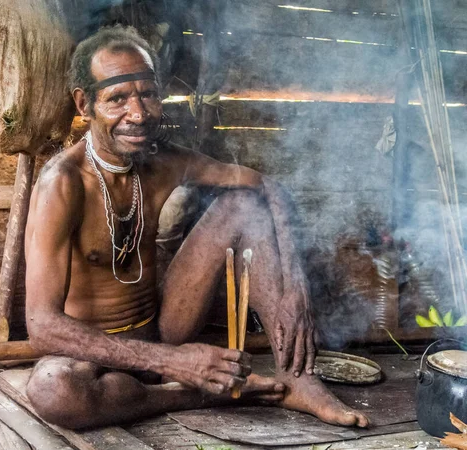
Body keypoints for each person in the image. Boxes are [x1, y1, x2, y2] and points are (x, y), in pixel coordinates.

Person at [24, 25, 369, 430]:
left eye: (148, 95)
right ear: (84, 104)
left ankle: (299, 382)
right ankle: (190, 393)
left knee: (244, 206)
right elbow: (42, 327)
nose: (137, 114)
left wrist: (296, 287)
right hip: (95, 354)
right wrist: (174, 362)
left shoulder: (163, 160)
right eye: (117, 98)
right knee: (54, 391)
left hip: (163, 327)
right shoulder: (61, 184)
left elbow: (268, 187)